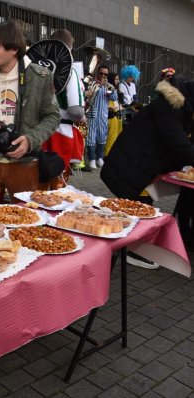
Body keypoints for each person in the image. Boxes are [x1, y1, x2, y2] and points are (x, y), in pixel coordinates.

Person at [0, 20, 60, 211]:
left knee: (27, 224)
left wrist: (30, 140)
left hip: (25, 164)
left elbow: (52, 116)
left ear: (14, 49)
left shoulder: (40, 76)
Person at [101, 75, 194, 268]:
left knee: (142, 206)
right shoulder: (168, 108)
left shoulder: (181, 109)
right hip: (132, 165)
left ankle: (135, 246)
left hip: (145, 166)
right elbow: (181, 146)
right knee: (137, 207)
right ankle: (132, 250)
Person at [40, 29, 86, 189]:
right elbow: (76, 111)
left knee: (37, 186)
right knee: (57, 190)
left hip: (37, 133)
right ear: (70, 49)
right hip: (60, 135)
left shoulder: (37, 68)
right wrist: (83, 118)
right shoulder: (69, 72)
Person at [84, 64, 113, 169]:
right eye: (101, 73)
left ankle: (99, 158)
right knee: (90, 136)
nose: (103, 75)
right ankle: (91, 159)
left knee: (101, 137)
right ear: (98, 73)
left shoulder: (109, 86)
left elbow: (114, 98)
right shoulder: (91, 83)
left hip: (103, 115)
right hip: (92, 113)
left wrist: (109, 89)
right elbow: (86, 96)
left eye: (106, 74)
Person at [104, 72, 122, 156]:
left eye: (118, 79)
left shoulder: (115, 88)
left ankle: (114, 153)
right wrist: (110, 107)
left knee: (118, 136)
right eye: (116, 79)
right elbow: (106, 100)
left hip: (117, 114)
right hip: (110, 115)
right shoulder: (109, 88)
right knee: (111, 136)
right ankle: (108, 154)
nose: (118, 81)